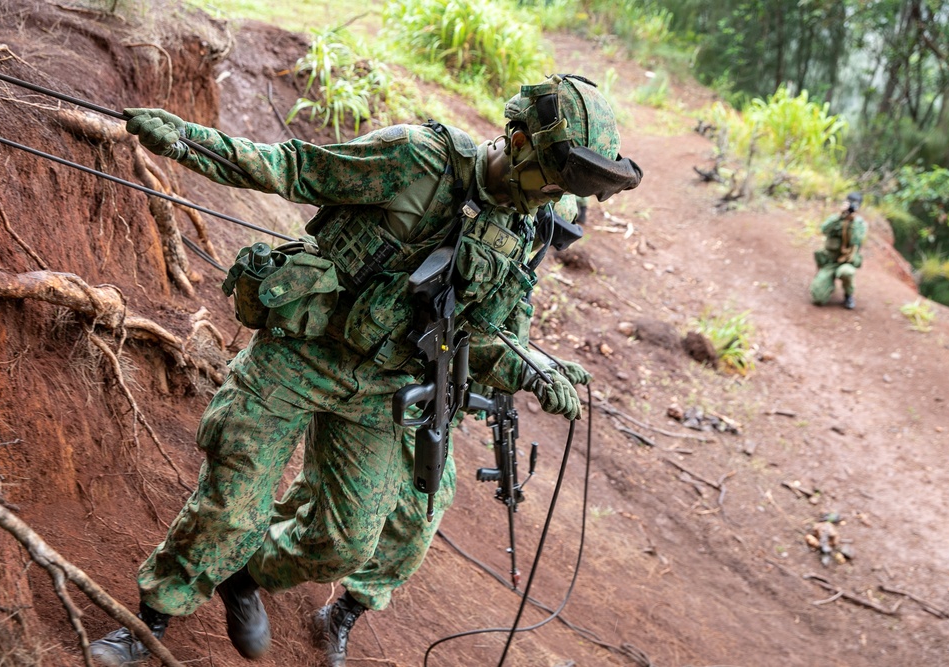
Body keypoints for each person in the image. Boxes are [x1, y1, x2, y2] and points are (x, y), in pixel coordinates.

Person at [88, 73, 640, 667]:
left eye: (564, 186)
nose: (551, 195)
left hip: (382, 388)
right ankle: (151, 622)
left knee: (345, 542)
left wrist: (534, 372)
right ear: (519, 138)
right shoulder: (416, 157)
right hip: (303, 350)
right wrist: (185, 141)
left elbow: (483, 336)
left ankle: (244, 576)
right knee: (233, 505)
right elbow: (292, 167)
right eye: (550, 175)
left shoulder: (521, 229)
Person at [810, 192, 867, 309]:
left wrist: (853, 221)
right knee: (818, 299)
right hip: (830, 261)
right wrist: (839, 216)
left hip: (845, 262)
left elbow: (857, 240)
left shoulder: (860, 223)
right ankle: (827, 283)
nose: (851, 207)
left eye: (854, 205)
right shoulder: (836, 218)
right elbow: (824, 229)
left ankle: (848, 295)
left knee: (847, 272)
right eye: (849, 203)